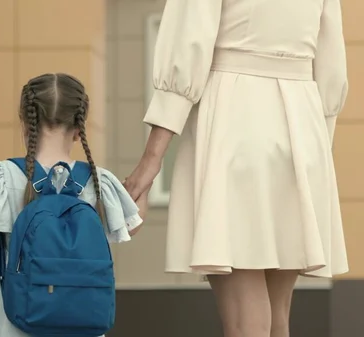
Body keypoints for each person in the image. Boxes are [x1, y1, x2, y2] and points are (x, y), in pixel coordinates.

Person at [123, 1, 348, 337]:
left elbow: (188, 46)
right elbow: (332, 64)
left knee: (247, 323)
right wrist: (316, 146)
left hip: (236, 119)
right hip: (304, 126)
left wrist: (150, 163)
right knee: (277, 318)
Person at [0, 73, 148, 337]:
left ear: (26, 124)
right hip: (79, 320)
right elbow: (131, 226)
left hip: (11, 319)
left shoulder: (4, 177)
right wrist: (142, 191)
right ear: (79, 129)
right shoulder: (98, 182)